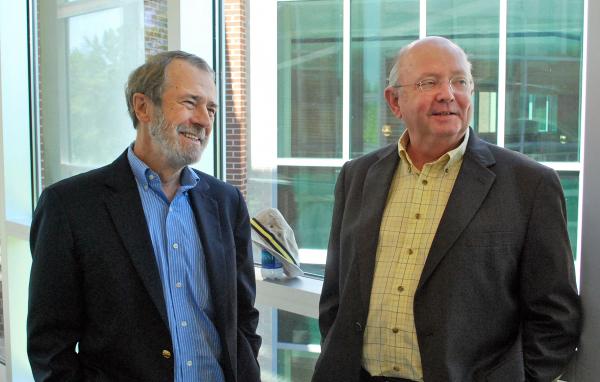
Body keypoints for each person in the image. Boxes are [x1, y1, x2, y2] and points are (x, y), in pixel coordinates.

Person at [312, 36, 581, 382]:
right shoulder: (358, 176)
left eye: (460, 82)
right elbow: (336, 294)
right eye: (429, 82)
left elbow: (555, 317)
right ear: (395, 101)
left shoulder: (529, 185)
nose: (447, 94)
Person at [27, 51, 261, 382]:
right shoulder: (69, 206)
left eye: (211, 109)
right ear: (142, 107)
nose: (204, 121)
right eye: (190, 102)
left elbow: (242, 316)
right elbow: (49, 345)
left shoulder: (226, 202)